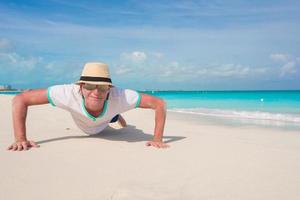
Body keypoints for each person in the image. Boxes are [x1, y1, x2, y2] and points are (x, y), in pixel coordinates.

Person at [7, 62, 169, 151]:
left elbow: (159, 103)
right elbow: (20, 99)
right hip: (83, 118)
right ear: (80, 87)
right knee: (110, 113)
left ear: (110, 89)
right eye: (90, 86)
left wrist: (157, 139)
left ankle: (116, 115)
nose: (96, 92)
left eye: (103, 87)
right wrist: (20, 139)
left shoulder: (121, 97)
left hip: (106, 117)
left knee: (112, 114)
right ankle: (115, 115)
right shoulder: (66, 93)